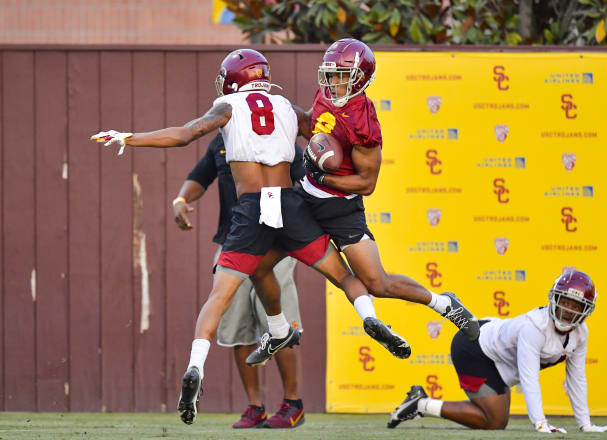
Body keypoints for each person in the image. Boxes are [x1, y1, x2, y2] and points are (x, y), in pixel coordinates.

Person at [91, 48, 403, 426]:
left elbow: (184, 135)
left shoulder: (227, 107)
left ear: (232, 81)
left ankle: (195, 366)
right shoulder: (285, 106)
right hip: (290, 205)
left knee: (219, 297)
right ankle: (365, 317)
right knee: (342, 275)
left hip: (251, 210)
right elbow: (329, 138)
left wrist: (129, 137)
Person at [287, 38, 480, 354]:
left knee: (378, 283)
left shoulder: (363, 122)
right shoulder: (327, 94)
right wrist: (283, 114)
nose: (333, 82)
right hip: (306, 196)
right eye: (330, 74)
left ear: (360, 79)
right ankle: (280, 328)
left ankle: (444, 304)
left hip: (340, 207)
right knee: (265, 245)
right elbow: (313, 126)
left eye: (340, 76)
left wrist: (324, 174)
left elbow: (366, 184)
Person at [172, 132, 306, 428]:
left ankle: (292, 403)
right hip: (233, 241)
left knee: (279, 323)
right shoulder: (223, 139)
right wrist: (181, 199)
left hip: (274, 241)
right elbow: (200, 176)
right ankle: (255, 406)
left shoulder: (277, 134)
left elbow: (305, 181)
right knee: (236, 324)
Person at [387, 270, 607, 434]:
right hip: (474, 348)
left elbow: (576, 378)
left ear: (586, 311)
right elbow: (529, 379)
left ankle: (420, 403)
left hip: (498, 358)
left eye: (576, 306)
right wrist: (540, 423)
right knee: (495, 421)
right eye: (565, 302)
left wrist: (585, 424)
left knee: (495, 421)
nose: (568, 310)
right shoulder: (535, 327)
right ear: (554, 299)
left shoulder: (581, 333)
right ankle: (420, 405)